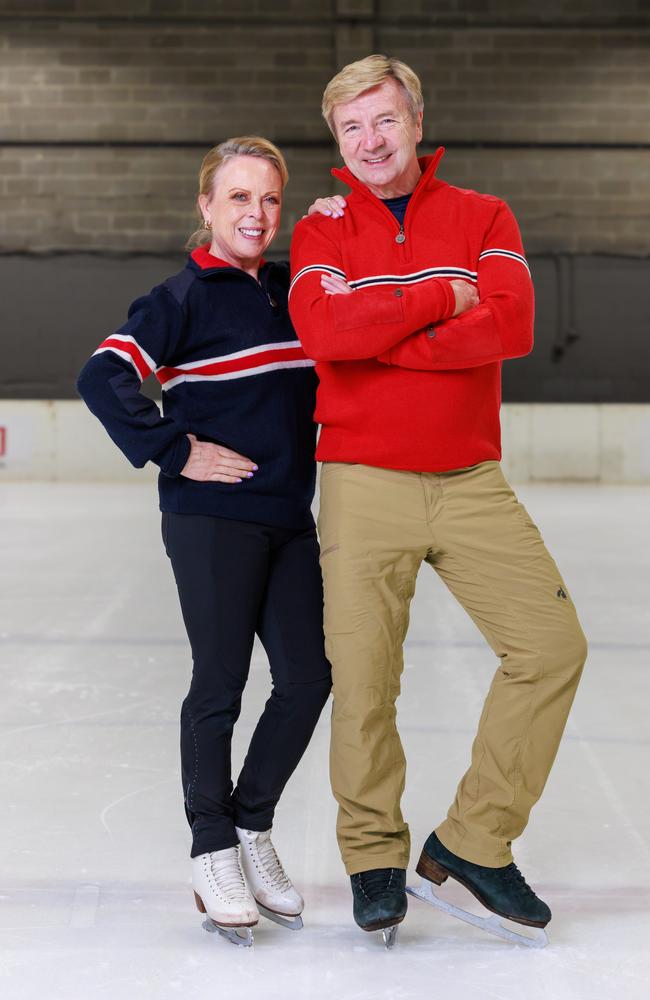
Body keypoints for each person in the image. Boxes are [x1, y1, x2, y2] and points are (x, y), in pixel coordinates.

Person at [289, 56, 588, 940]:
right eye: (351, 128)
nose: (370, 142)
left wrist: (379, 336)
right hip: (361, 482)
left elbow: (514, 323)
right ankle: (374, 855)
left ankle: (473, 844)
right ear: (338, 139)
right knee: (365, 684)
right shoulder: (321, 230)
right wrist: (434, 299)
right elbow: (323, 333)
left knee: (551, 646)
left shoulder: (483, 215)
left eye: (384, 121)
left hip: (469, 480)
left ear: (416, 120)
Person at [77, 136, 334, 940]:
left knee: (307, 679)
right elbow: (102, 375)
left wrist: (344, 217)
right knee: (221, 682)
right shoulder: (178, 297)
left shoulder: (295, 289)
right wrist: (175, 447)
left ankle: (251, 825)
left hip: (290, 517)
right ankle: (211, 844)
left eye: (269, 200)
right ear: (207, 206)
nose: (255, 214)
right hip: (211, 520)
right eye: (238, 198)